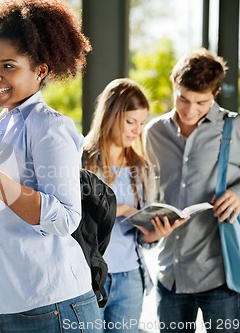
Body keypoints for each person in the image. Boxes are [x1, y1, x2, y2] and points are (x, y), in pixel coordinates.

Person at [0, 0, 98, 331]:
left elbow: (65, 219)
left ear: (41, 70)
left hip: (49, 307)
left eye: (9, 66)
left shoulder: (50, 127)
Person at [144, 48, 240, 333]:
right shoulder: (154, 133)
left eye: (201, 102)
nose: (190, 111)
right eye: (183, 99)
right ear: (174, 86)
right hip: (170, 275)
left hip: (219, 276)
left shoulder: (238, 129)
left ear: (215, 93)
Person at [83, 78, 187, 333]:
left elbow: (142, 239)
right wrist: (120, 210)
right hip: (89, 278)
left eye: (141, 123)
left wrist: (155, 234)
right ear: (111, 115)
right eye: (131, 122)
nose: (137, 130)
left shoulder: (141, 168)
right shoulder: (83, 160)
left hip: (130, 277)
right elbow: (73, 220)